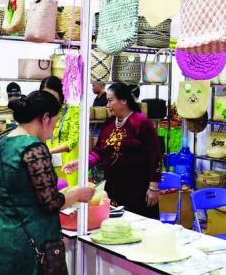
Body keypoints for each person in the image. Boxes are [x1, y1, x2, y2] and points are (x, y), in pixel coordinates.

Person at [0, 91, 94, 275]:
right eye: (54, 123)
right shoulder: (34, 147)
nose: (53, 130)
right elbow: (51, 202)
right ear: (45, 118)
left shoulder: (2, 144)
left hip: (3, 236)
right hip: (33, 240)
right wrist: (77, 194)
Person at [64, 83, 162, 218]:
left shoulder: (140, 122)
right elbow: (99, 152)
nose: (107, 105)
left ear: (123, 101)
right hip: (113, 187)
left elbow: (155, 154)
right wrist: (81, 163)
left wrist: (153, 187)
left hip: (138, 188)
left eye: (110, 100)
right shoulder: (109, 124)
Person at [40, 76, 80, 186]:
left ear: (60, 93)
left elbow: (73, 140)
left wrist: (49, 151)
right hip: (48, 163)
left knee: (71, 196)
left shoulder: (74, 110)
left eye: (52, 95)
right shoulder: (43, 112)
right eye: (45, 95)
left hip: (69, 164)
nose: (49, 99)